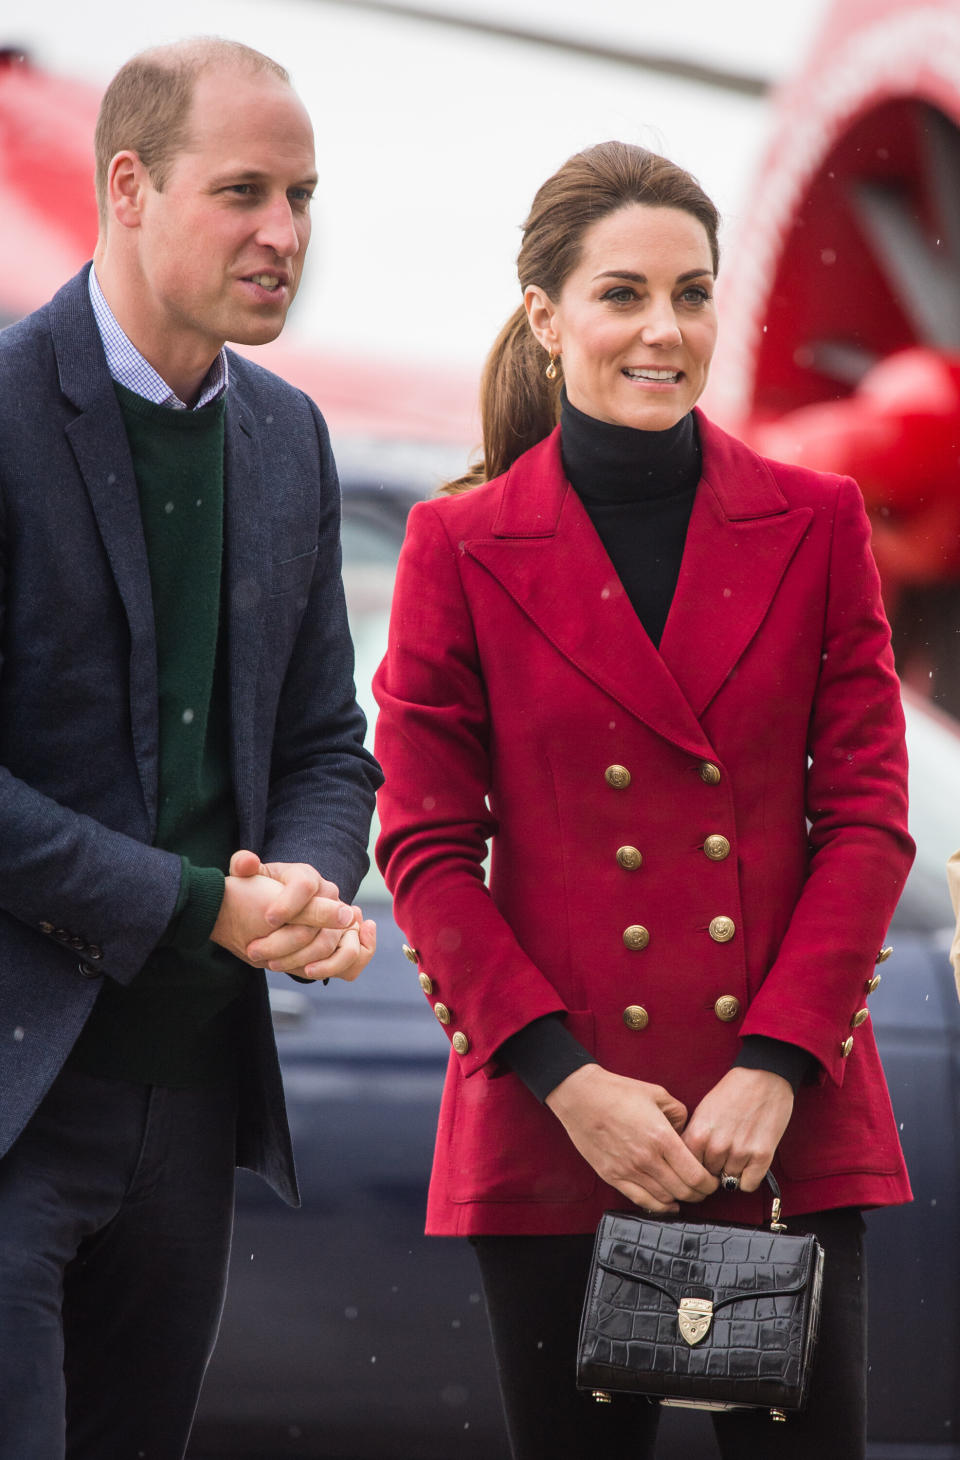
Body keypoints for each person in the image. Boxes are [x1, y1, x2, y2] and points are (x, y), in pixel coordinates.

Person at [373, 142, 914, 1459]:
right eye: (623, 294)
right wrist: (570, 1082)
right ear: (547, 315)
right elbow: (428, 848)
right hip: (564, 1116)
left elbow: (867, 820)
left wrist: (778, 1064)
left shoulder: (817, 520)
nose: (664, 331)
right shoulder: (457, 547)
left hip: (774, 1123)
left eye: (695, 292)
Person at [0, 38, 380, 1460]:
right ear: (130, 186)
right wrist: (196, 905)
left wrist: (304, 886)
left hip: (194, 1101)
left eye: (302, 196)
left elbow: (328, 745)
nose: (284, 235)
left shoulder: (288, 439)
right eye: (244, 193)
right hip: (18, 1097)